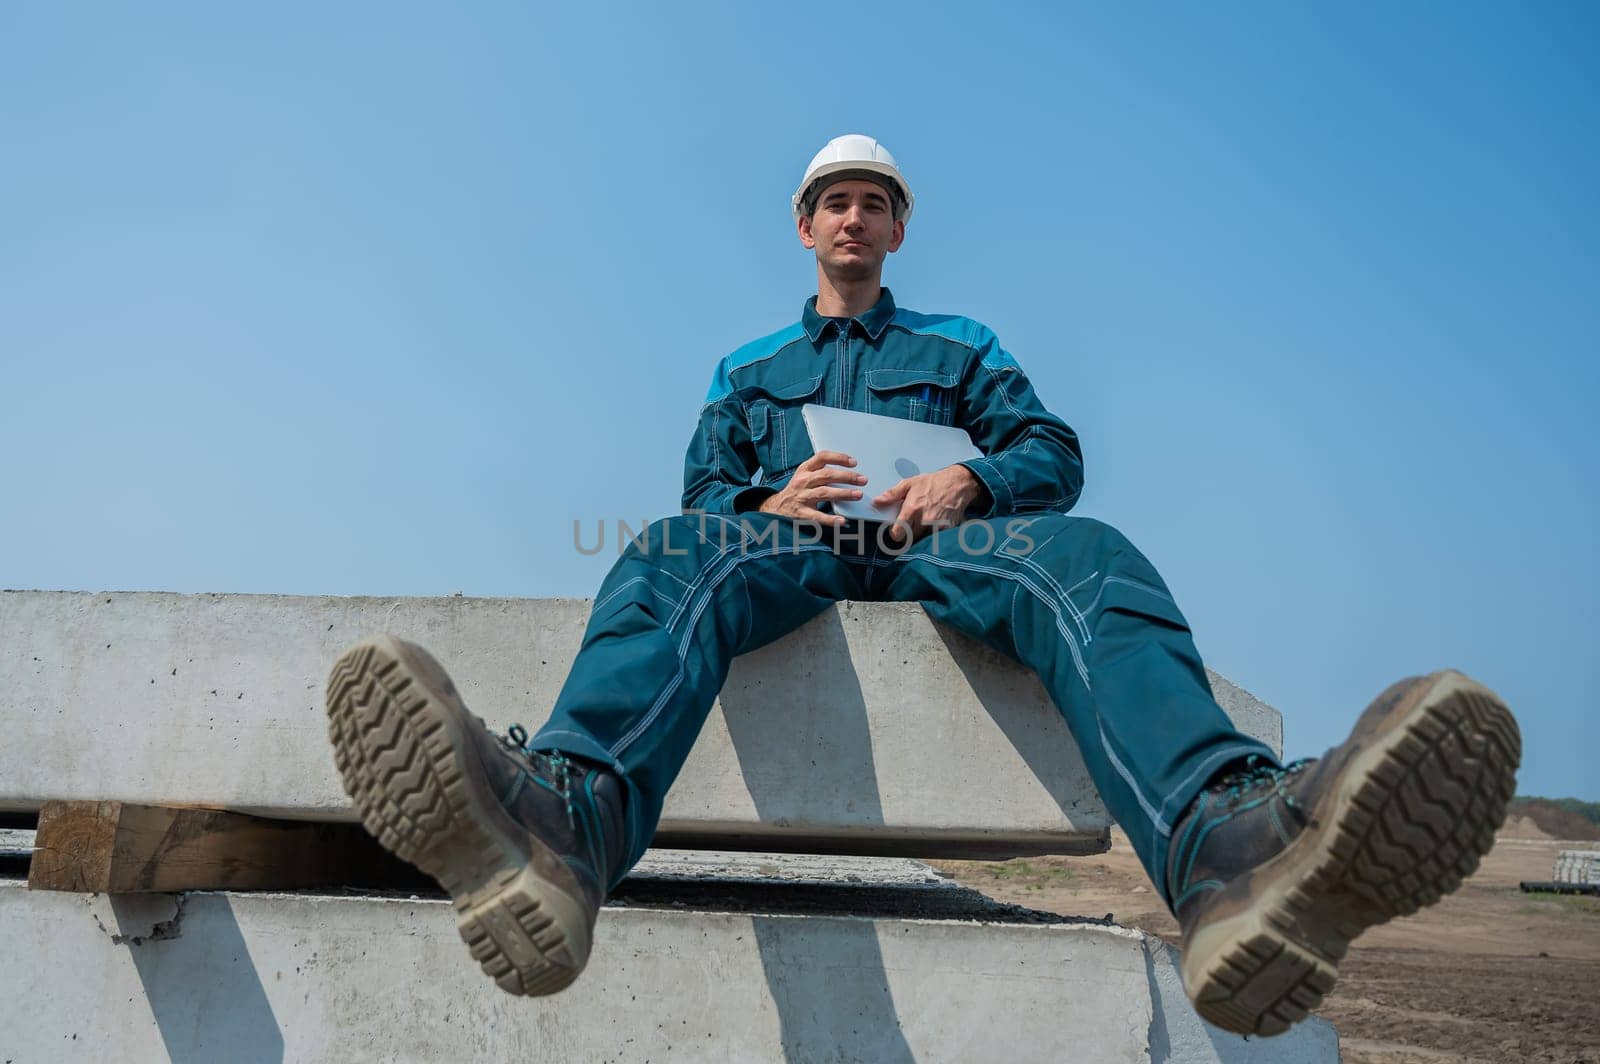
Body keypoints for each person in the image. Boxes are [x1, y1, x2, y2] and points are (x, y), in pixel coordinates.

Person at [324, 134, 1521, 1037]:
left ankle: (1226, 847)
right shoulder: (747, 365)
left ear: (898, 231)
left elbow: (1052, 451)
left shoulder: (963, 345)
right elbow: (700, 487)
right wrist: (759, 506)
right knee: (667, 551)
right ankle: (564, 822)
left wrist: (968, 480)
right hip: (798, 547)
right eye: (836, 201)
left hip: (936, 547)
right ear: (803, 226)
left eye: (876, 203)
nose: (855, 216)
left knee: (1090, 554)